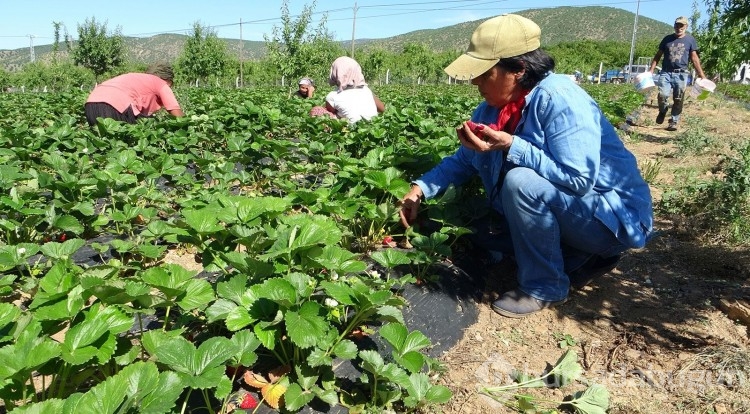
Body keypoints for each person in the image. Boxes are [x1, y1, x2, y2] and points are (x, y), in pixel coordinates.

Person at [398, 14, 653, 318]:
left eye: (484, 73)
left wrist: (512, 145)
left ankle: (546, 285)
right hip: (574, 212)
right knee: (476, 231)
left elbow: (579, 180)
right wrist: (419, 190)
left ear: (518, 70)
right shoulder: (494, 108)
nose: (475, 82)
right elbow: (464, 159)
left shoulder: (560, 99)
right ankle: (579, 257)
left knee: (521, 183)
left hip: (611, 219)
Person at [648, 16, 707, 131]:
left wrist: (702, 75)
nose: (679, 28)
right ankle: (663, 110)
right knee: (663, 95)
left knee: (678, 98)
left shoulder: (690, 40)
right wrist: (651, 70)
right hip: (666, 72)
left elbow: (694, 58)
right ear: (674, 25)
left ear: (686, 27)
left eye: (681, 25)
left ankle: (673, 121)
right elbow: (658, 55)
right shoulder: (667, 39)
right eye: (677, 25)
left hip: (681, 74)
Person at [84, 63, 184, 126]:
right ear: (167, 80)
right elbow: (178, 116)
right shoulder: (161, 83)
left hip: (91, 104)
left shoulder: (136, 78)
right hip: (115, 106)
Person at [310, 56, 385, 123]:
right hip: (372, 126)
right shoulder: (366, 90)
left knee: (317, 110)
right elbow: (382, 109)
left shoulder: (332, 96)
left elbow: (330, 112)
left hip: (351, 130)